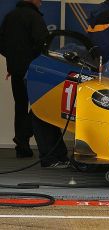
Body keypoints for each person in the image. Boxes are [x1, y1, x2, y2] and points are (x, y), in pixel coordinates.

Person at [0, 0, 69, 168]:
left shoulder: (10, 16)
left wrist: (14, 62)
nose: (41, 2)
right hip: (33, 71)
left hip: (16, 70)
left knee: (20, 106)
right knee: (41, 108)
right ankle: (49, 153)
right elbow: (43, 44)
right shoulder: (34, 17)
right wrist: (32, 64)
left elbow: (2, 43)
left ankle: (22, 146)